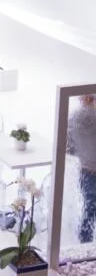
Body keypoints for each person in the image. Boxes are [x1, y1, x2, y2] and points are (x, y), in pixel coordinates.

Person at [67, 94, 96, 243]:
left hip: (86, 170)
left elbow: (69, 148)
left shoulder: (72, 118)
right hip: (90, 169)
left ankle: (84, 245)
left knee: (89, 210)